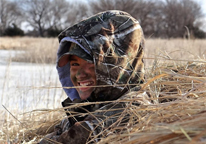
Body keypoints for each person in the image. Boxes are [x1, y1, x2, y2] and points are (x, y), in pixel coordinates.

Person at [39, 10, 148, 144]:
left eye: (91, 64)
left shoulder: (131, 112)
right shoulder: (87, 109)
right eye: (74, 64)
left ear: (116, 65)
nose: (80, 75)